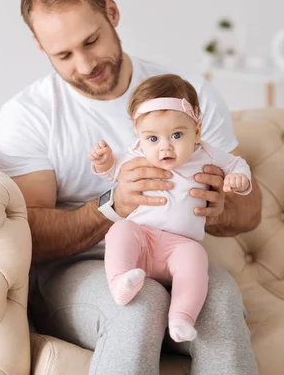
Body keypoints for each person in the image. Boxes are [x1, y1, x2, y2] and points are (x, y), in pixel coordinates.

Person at [0, 0, 262, 374]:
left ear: (112, 13)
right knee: (140, 303)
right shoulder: (27, 116)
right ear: (40, 47)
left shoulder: (189, 98)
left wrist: (218, 207)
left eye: (91, 41)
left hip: (174, 253)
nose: (85, 66)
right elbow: (26, 232)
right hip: (76, 270)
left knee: (219, 302)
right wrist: (113, 205)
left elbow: (251, 210)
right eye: (63, 55)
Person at [89, 74, 253, 343]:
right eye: (152, 138)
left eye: (176, 135)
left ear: (197, 131)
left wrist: (239, 180)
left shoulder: (208, 154)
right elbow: (111, 174)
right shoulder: (136, 154)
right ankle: (120, 282)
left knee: (196, 258)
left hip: (179, 247)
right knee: (121, 229)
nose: (164, 146)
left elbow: (237, 165)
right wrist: (104, 162)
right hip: (142, 239)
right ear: (139, 136)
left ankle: (182, 319)